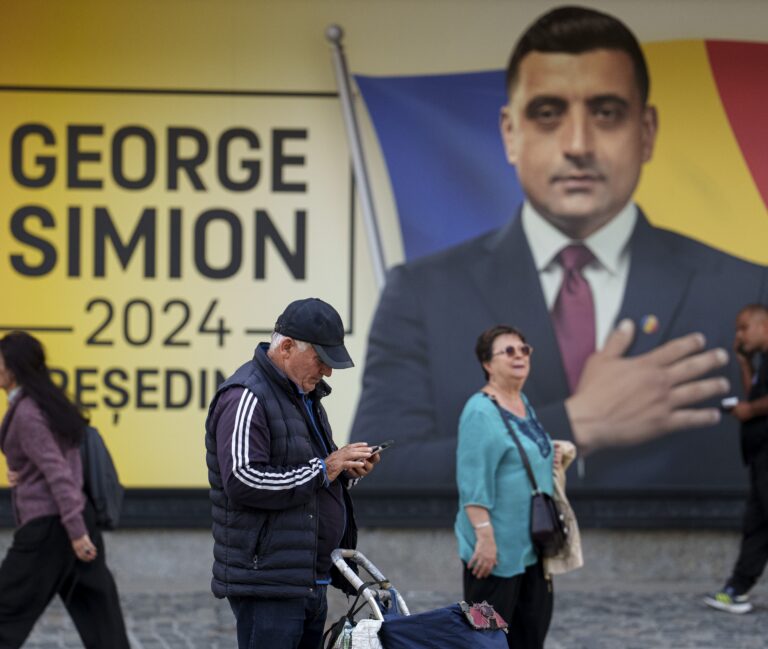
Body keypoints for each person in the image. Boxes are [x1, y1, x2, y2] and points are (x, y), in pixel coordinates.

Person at [351, 5, 768, 496]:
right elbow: (375, 477)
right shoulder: (421, 295)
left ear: (647, 131)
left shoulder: (746, 290)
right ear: (510, 134)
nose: (577, 143)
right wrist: (576, 424)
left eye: (606, 112)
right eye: (548, 114)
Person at [204, 297, 379, 649]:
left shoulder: (304, 395)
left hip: (306, 577)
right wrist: (327, 467)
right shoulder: (246, 395)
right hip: (268, 580)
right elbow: (243, 480)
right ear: (286, 347)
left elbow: (310, 474)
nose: (327, 372)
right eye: (321, 360)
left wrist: (346, 471)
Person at [0, 331, 130, 648]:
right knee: (101, 620)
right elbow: (58, 461)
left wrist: (75, 532)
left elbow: (59, 473)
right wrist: (22, 473)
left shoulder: (29, 413)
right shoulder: (45, 404)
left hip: (53, 526)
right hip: (72, 520)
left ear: (13, 368)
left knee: (5, 609)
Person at [456, 325, 560, 648]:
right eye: (509, 351)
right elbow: (471, 483)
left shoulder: (521, 401)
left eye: (524, 349)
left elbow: (517, 456)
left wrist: (549, 454)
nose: (520, 356)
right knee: (488, 641)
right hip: (494, 556)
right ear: (488, 364)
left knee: (530, 637)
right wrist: (485, 539)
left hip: (532, 548)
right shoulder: (480, 411)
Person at [705, 304, 768, 614]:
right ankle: (736, 589)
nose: (739, 335)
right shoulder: (762, 361)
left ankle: (737, 586)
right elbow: (756, 395)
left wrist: (749, 411)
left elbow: (755, 405)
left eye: (744, 328)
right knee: (757, 523)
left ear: (764, 326)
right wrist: (744, 362)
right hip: (760, 455)